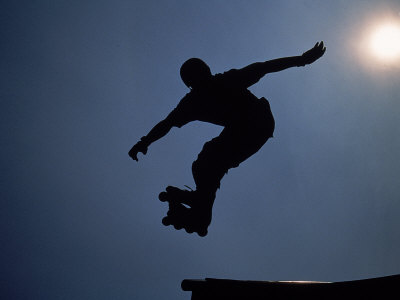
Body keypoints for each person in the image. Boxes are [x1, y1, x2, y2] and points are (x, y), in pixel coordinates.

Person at [129, 42, 326, 236]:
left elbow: (264, 67)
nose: (202, 81)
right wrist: (145, 141)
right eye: (197, 79)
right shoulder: (193, 102)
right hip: (247, 130)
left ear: (205, 72)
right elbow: (167, 123)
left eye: (202, 75)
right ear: (192, 83)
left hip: (258, 121)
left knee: (210, 157)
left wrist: (302, 60)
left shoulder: (225, 81)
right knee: (203, 164)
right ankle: (201, 205)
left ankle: (201, 205)